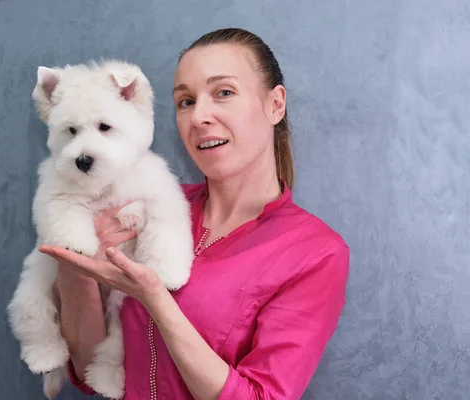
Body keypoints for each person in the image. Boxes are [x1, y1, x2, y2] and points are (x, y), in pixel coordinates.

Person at [39, 27, 350, 400]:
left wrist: (155, 298)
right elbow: (90, 370)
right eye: (185, 101)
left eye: (224, 93)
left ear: (275, 104)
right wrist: (76, 265)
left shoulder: (314, 253)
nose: (199, 116)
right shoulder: (142, 205)